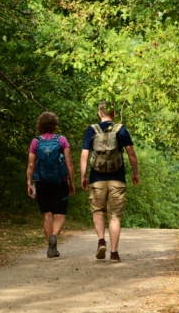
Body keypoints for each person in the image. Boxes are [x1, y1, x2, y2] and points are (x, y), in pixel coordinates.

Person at [80, 101, 139, 263]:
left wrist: (83, 176)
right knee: (115, 216)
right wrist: (135, 173)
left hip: (96, 179)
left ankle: (101, 241)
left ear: (99, 113)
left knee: (98, 211)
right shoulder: (121, 130)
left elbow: (84, 155)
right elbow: (131, 154)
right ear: (113, 114)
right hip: (117, 179)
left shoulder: (92, 130)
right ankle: (114, 253)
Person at [27, 112, 75, 258]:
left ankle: (51, 246)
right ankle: (54, 235)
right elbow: (68, 162)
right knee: (60, 215)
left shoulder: (36, 142)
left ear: (40, 125)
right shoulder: (61, 140)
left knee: (47, 215)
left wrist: (29, 182)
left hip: (41, 181)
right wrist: (72, 181)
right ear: (55, 124)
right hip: (60, 181)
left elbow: (31, 164)